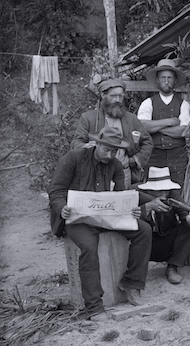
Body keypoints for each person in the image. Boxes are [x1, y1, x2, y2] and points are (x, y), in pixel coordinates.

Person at [48, 126, 153, 320]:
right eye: (106, 150)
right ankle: (94, 306)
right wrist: (62, 208)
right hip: (76, 219)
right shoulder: (74, 158)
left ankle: (132, 283)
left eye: (114, 151)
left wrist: (131, 211)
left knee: (143, 230)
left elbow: (120, 198)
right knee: (89, 245)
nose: (110, 155)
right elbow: (55, 191)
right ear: (96, 143)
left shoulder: (115, 166)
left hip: (105, 217)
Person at [72, 79, 153, 187]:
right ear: (103, 95)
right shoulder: (89, 118)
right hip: (96, 171)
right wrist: (86, 146)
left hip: (124, 172)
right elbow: (76, 142)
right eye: (113, 96)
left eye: (120, 96)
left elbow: (148, 142)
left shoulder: (131, 119)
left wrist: (134, 160)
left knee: (122, 197)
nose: (117, 100)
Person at [137, 167, 190, 285]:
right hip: (144, 245)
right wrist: (148, 207)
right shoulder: (137, 196)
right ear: (149, 190)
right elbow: (128, 219)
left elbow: (185, 213)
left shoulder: (172, 196)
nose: (163, 194)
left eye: (165, 190)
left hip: (166, 242)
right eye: (158, 191)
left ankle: (172, 267)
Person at [137, 59, 190, 186]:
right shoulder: (148, 103)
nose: (166, 81)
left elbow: (184, 131)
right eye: (163, 78)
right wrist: (169, 121)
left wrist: (155, 127)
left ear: (175, 80)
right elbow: (142, 126)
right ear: (157, 80)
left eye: (169, 78)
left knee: (177, 189)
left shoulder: (184, 104)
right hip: (154, 155)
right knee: (153, 189)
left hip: (178, 156)